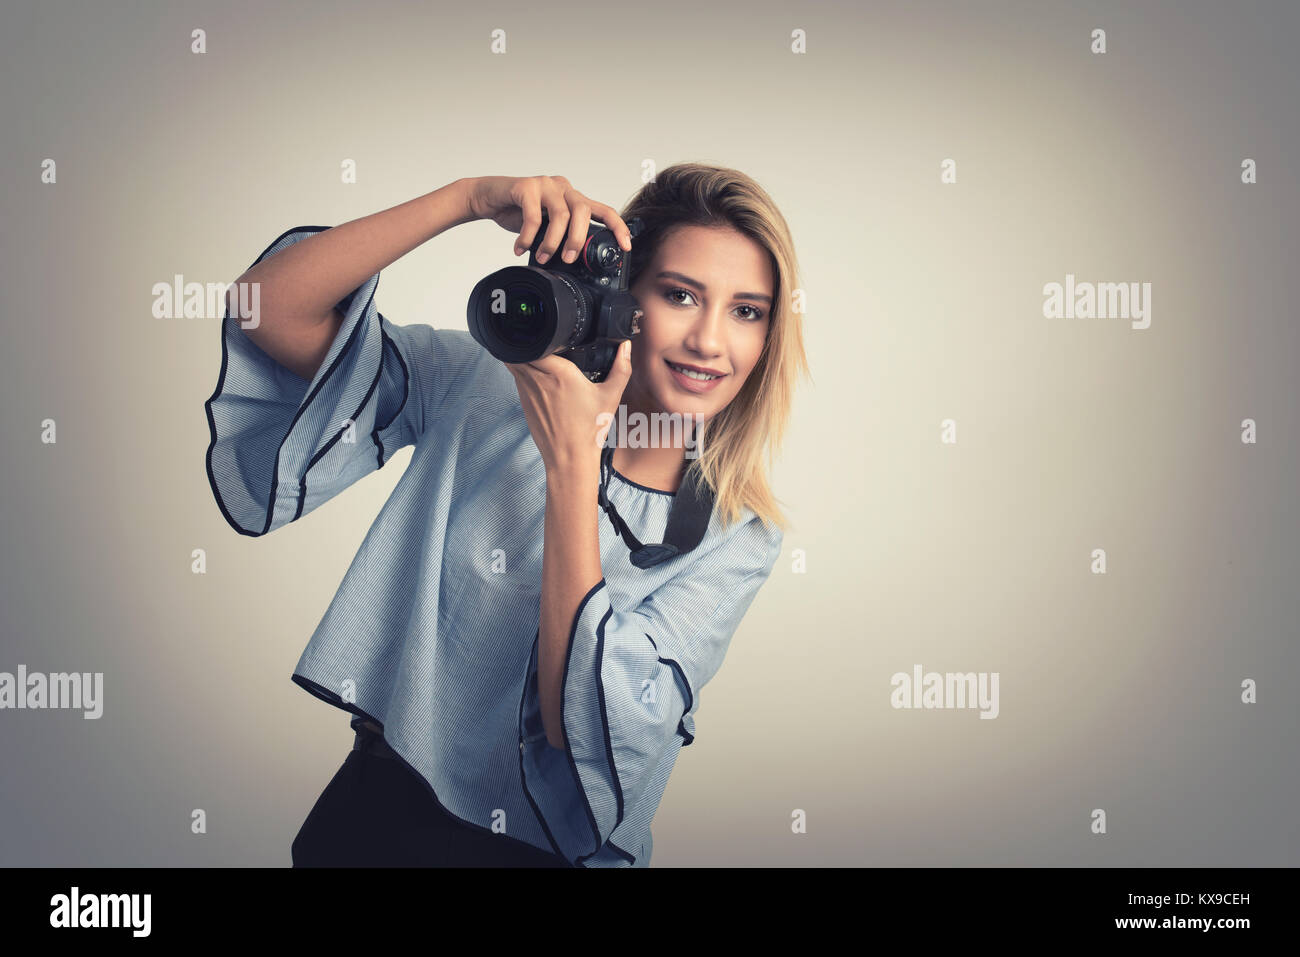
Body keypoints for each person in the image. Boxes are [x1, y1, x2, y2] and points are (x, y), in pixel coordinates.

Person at [204, 164, 810, 867]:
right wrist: (466, 198)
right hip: (378, 816)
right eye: (681, 295)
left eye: (747, 310)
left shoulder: (736, 537)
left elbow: (576, 722)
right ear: (624, 296)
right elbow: (265, 306)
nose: (710, 340)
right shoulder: (484, 383)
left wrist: (573, 463)